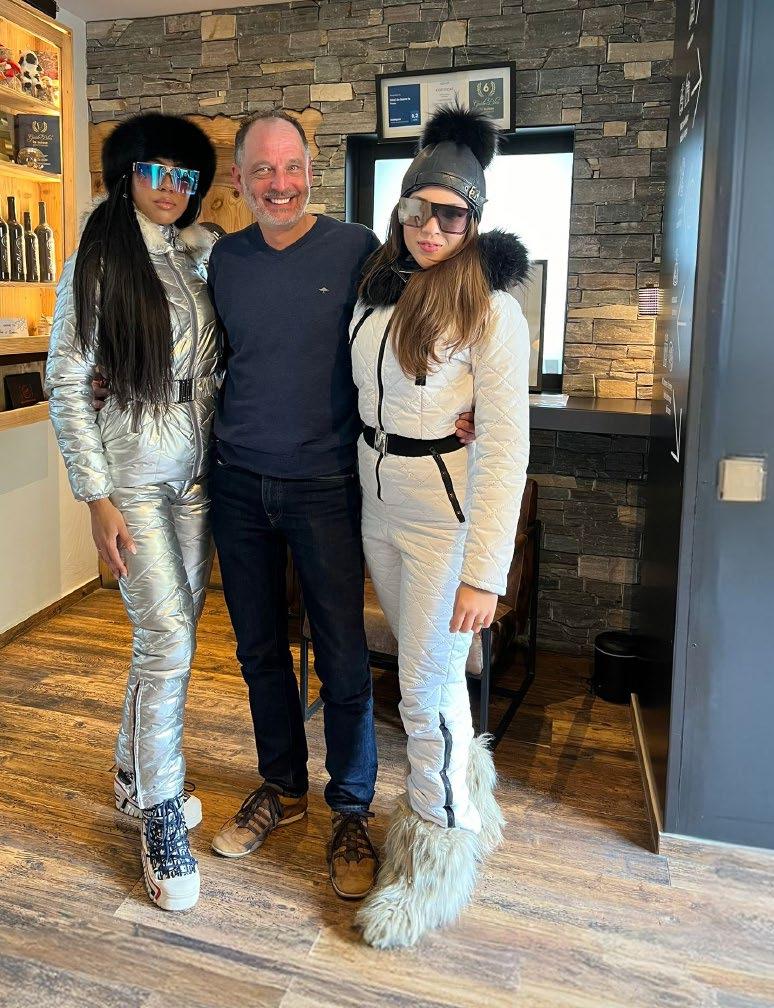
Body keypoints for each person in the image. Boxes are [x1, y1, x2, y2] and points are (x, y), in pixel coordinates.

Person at [206, 110, 474, 901]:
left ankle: (351, 808)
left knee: (344, 658)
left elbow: (441, 300)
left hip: (327, 484)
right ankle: (282, 787)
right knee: (258, 651)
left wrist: (470, 399)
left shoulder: (359, 250)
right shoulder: (224, 260)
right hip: (237, 482)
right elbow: (198, 351)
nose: (279, 183)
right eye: (262, 170)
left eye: (291, 167)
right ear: (239, 179)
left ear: (311, 169)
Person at [349, 105, 531, 947]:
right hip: (377, 505)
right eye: (417, 209)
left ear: (474, 221)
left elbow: (506, 449)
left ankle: (434, 859)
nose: (430, 228)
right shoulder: (377, 289)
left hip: (443, 523)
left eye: (450, 216)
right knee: (435, 681)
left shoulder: (492, 312)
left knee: (420, 693)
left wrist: (485, 574)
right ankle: (468, 796)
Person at [45, 113, 219, 912]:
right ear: (127, 175)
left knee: (172, 633)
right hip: (135, 474)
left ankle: (132, 774)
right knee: (169, 638)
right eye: (157, 171)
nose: (171, 188)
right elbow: (67, 380)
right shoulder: (99, 262)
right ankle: (160, 812)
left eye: (185, 175)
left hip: (198, 473)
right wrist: (96, 497)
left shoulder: (197, 255)